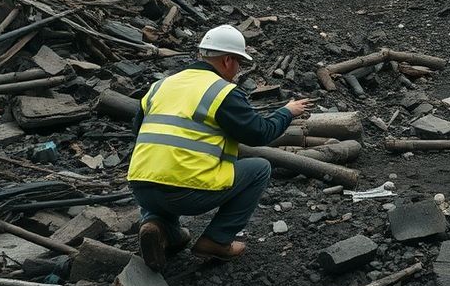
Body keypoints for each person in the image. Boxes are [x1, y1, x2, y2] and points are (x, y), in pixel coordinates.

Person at [127, 24, 312, 269]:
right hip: (185, 193)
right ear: (227, 60)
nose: (238, 70)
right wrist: (286, 112)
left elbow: (138, 130)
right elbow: (260, 133)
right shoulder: (221, 91)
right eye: (239, 63)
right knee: (259, 168)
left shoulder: (161, 86)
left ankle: (157, 226)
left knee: (168, 180)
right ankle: (216, 240)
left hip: (142, 187)